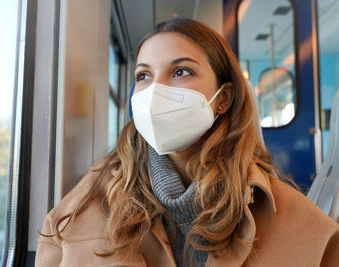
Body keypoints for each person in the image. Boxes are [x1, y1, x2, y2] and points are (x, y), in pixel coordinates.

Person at [35, 18, 339, 266]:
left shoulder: (308, 229)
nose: (155, 93)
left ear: (224, 98)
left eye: (181, 72)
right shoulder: (81, 208)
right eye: (143, 76)